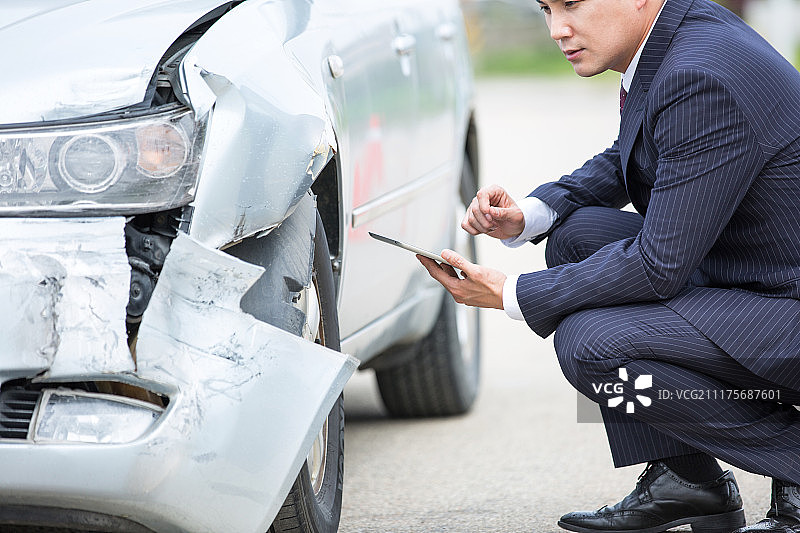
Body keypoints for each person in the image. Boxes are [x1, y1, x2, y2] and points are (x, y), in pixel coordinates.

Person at [417, 0, 800, 531]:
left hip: (784, 304)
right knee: (575, 236)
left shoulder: (701, 74)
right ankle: (686, 479)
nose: (557, 29)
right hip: (755, 277)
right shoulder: (682, 32)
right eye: (546, 8)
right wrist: (530, 214)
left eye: (572, 4)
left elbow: (658, 264)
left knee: (591, 344)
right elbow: (636, 152)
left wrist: (513, 293)